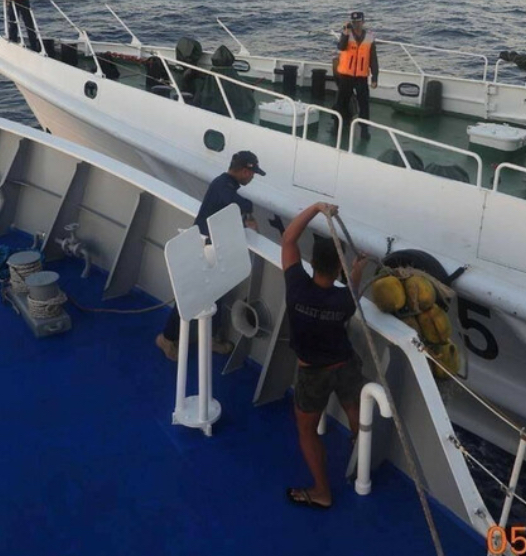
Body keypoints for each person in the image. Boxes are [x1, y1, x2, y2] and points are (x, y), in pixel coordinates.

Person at [281, 201, 369, 510]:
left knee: (307, 431)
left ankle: (322, 491)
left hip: (312, 373)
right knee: (353, 407)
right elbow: (352, 290)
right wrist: (357, 270)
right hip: (344, 364)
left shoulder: (296, 287)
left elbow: (289, 239)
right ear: (339, 269)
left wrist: (316, 208)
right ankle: (359, 448)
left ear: (311, 262)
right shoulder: (344, 301)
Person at [155, 150, 265, 360]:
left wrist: (244, 220)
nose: (252, 177)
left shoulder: (226, 185)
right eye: (252, 174)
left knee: (218, 293)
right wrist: (249, 210)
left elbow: (225, 211)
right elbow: (234, 202)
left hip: (215, 249)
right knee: (190, 296)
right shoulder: (223, 184)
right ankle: (166, 338)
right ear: (244, 171)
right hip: (203, 249)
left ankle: (211, 339)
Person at [335, 11, 379, 140]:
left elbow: (373, 59)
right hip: (346, 76)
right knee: (341, 102)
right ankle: (338, 125)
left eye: (358, 22)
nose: (356, 24)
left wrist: (375, 77)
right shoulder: (346, 35)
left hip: (361, 77)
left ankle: (364, 129)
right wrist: (345, 34)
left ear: (363, 22)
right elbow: (341, 47)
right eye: (354, 22)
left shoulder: (369, 38)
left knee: (364, 104)